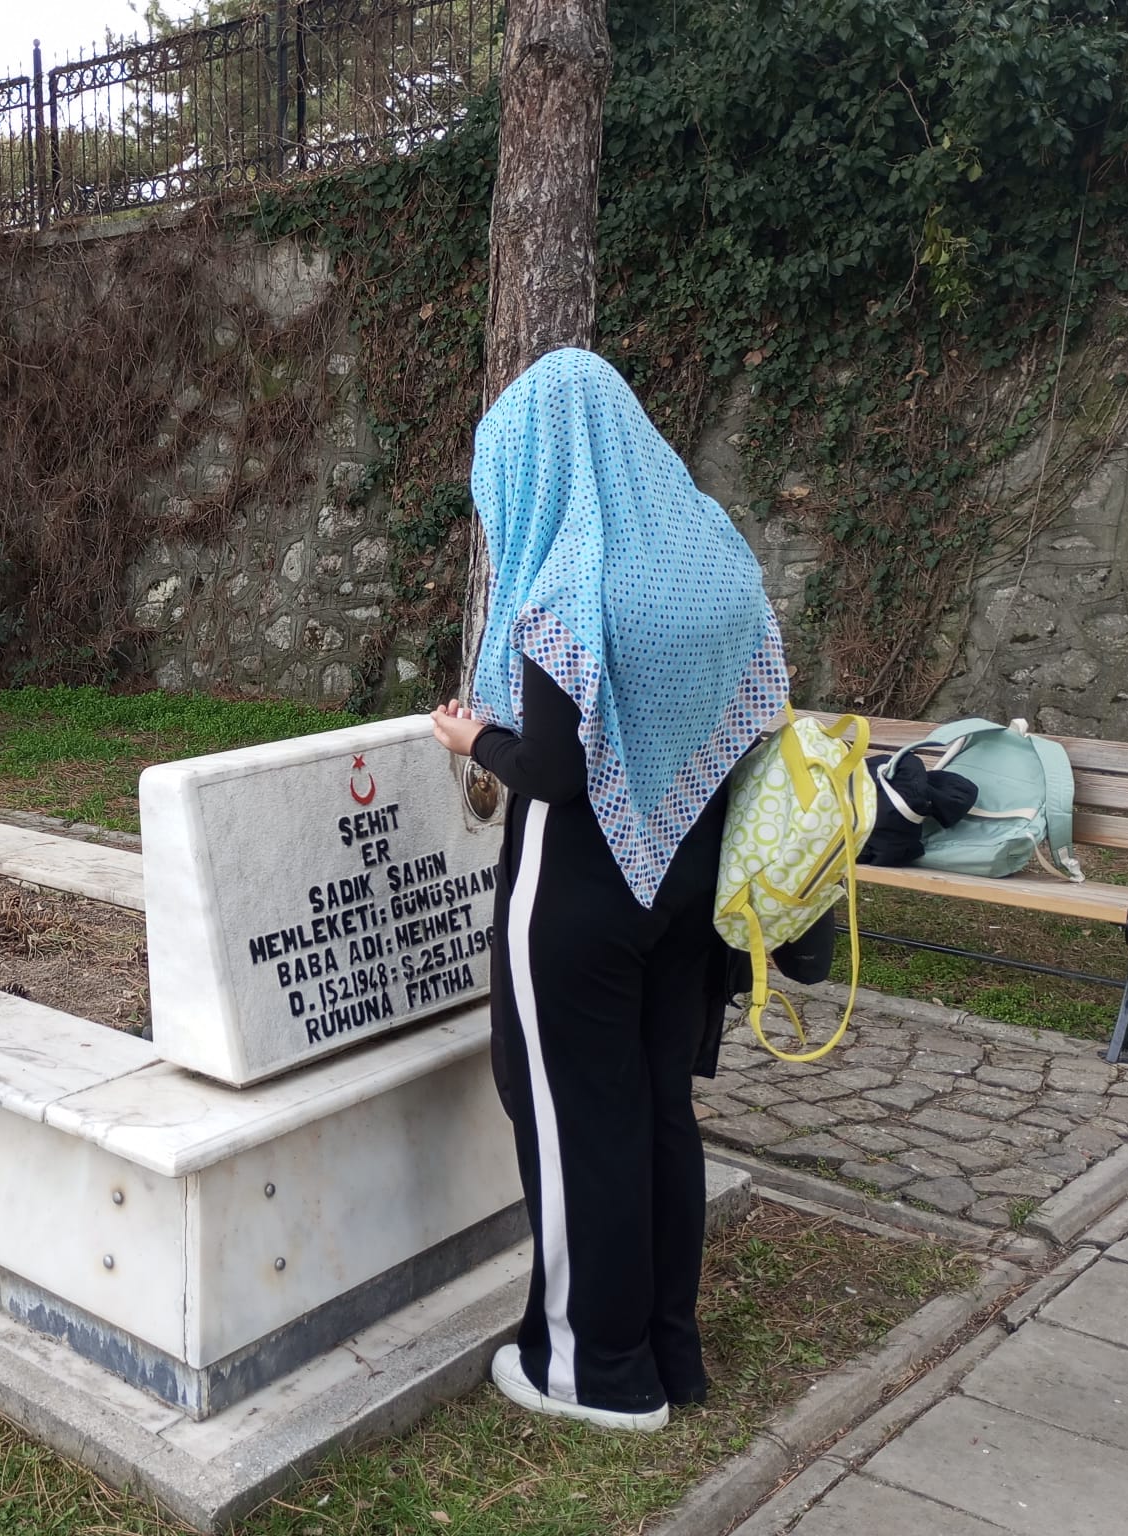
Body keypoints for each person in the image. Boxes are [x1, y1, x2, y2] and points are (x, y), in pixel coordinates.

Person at [432, 347, 790, 1432]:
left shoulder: (570, 586)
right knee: (658, 1111)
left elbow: (555, 773)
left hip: (577, 894)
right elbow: (758, 703)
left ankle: (595, 1373)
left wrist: (472, 736)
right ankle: (670, 1351)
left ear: (543, 464)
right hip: (690, 880)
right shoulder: (712, 554)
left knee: (576, 1121)